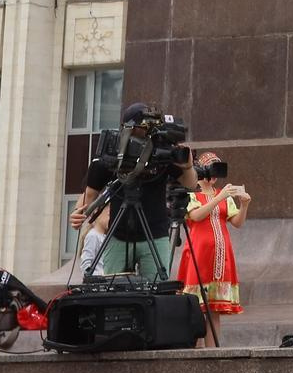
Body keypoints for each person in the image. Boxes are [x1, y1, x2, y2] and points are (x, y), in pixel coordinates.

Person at [68, 101, 197, 280]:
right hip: (118, 235)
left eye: (150, 128)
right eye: (142, 127)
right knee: (113, 291)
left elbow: (190, 184)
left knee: (156, 291)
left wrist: (188, 166)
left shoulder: (161, 154)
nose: (146, 134)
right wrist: (77, 213)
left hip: (155, 235)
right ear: (126, 128)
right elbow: (90, 195)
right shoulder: (111, 155)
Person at [181, 152, 252, 335]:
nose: (214, 176)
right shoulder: (192, 194)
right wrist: (218, 199)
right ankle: (195, 351)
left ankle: (213, 353)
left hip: (220, 256)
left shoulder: (223, 194)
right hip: (199, 253)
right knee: (196, 308)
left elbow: (237, 222)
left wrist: (244, 205)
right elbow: (196, 216)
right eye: (211, 169)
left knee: (213, 311)